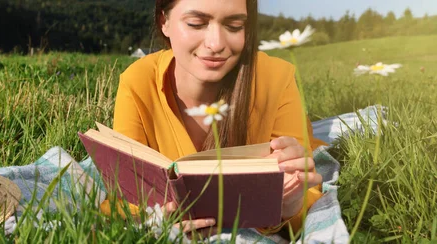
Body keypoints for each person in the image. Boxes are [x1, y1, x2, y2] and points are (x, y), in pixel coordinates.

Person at [109, 0, 327, 240]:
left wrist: (287, 207)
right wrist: (156, 219)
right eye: (196, 23)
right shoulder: (137, 82)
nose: (216, 44)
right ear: (165, 22)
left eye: (234, 26)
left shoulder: (277, 78)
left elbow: (309, 196)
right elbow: (123, 197)